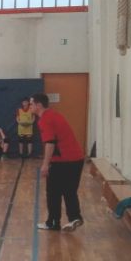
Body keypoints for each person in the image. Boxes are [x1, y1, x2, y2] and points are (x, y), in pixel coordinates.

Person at [31, 93, 85, 232]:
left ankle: (53, 223)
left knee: (53, 192)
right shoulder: (55, 115)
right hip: (77, 159)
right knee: (69, 191)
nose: (29, 106)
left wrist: (45, 164)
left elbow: (50, 143)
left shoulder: (45, 119)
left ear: (38, 105)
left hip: (63, 161)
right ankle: (75, 217)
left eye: (31, 104)